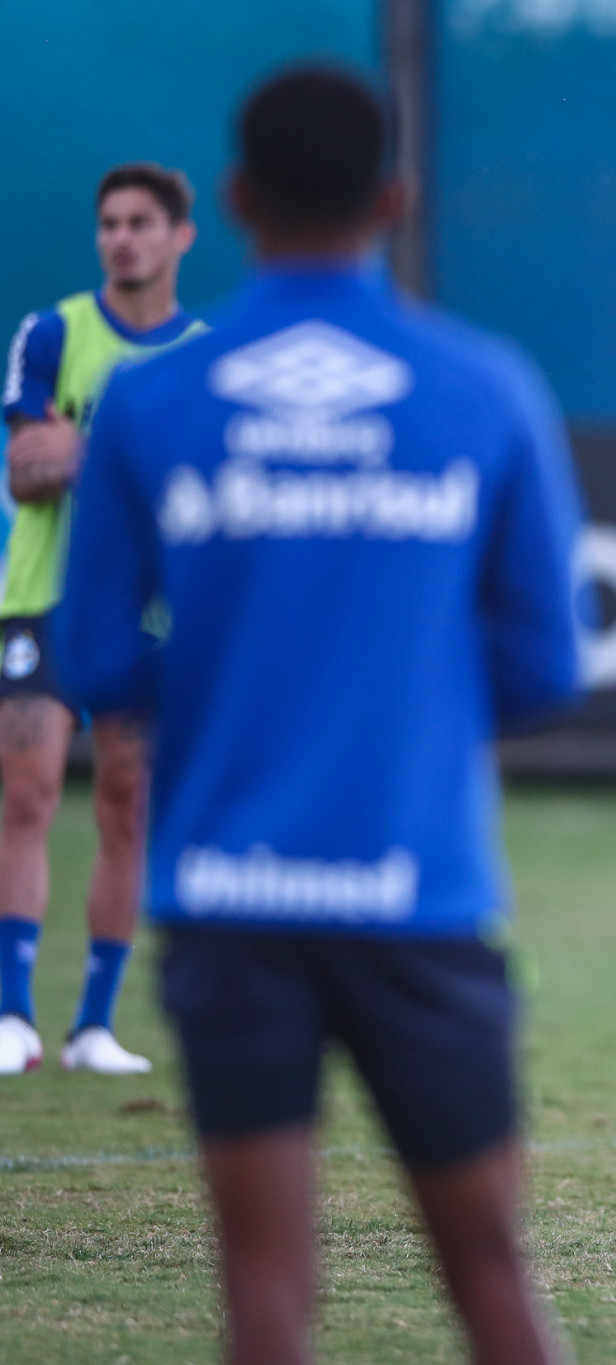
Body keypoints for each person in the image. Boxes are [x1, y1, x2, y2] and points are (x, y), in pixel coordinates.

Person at [56, 66, 582, 1363]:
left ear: (229, 202)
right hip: (421, 896)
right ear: (396, 198)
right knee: (494, 1280)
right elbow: (547, 663)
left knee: (264, 1300)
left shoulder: (154, 399)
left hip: (230, 898)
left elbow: (91, 654)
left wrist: (243, 686)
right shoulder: (483, 385)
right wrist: (392, 694)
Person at [0, 163, 208, 1076]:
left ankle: (93, 1025)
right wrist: (124, 454)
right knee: (26, 793)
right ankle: (12, 1014)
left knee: (127, 806)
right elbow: (24, 470)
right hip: (43, 596)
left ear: (181, 237)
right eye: (109, 223)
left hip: (148, 613)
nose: (120, 237)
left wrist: (88, 450)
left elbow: (200, 488)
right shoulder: (52, 332)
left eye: (139, 223)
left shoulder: (203, 356)